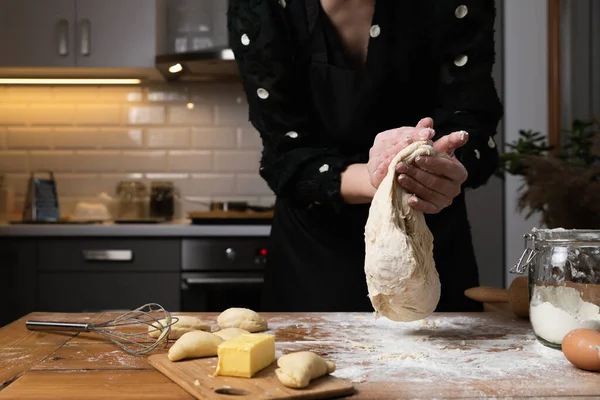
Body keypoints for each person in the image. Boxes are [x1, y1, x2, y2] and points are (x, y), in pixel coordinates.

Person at [227, 0, 503, 313]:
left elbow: (472, 125)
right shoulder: (262, 8)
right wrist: (382, 177)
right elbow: (285, 155)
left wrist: (445, 165)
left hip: (429, 245)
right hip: (314, 260)